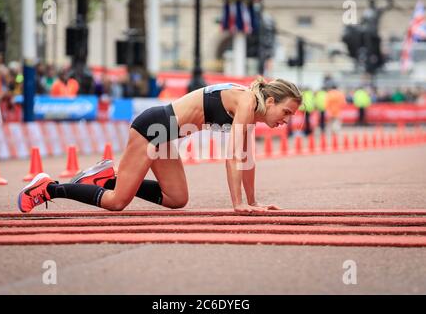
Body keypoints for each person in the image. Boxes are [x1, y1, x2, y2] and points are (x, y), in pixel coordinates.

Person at [17, 78, 302, 214]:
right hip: (151, 129)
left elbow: (246, 159)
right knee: (117, 202)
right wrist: (238, 204)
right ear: (271, 101)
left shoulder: (253, 112)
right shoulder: (246, 101)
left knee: (177, 199)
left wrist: (252, 202)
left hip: (166, 136)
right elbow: (232, 158)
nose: (287, 120)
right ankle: (48, 188)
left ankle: (107, 178)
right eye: (287, 113)